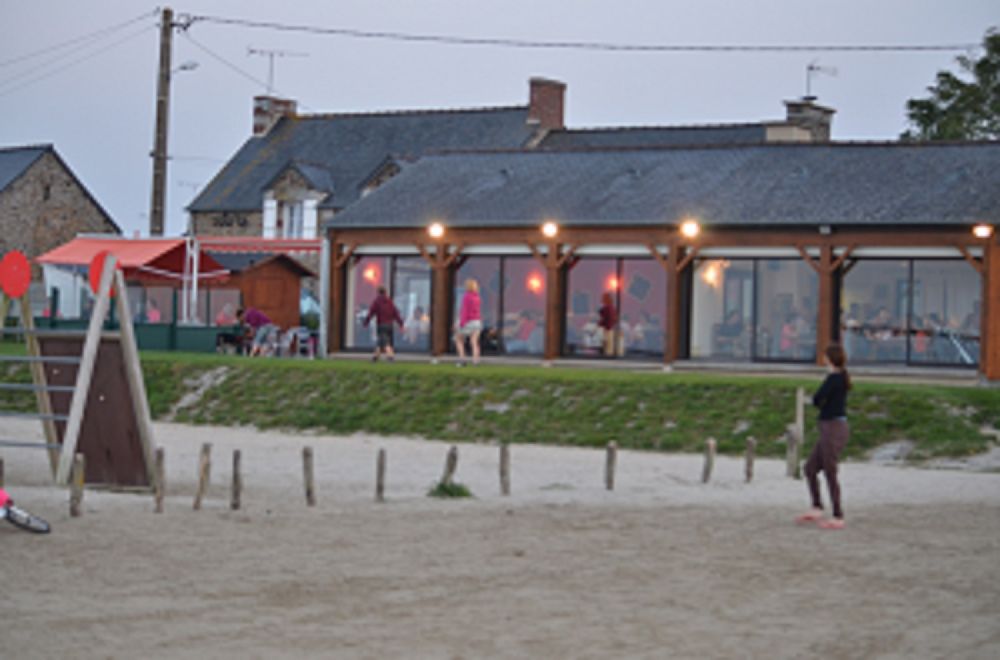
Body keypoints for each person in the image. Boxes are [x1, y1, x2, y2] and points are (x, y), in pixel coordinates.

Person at [797, 343, 852, 530]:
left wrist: (816, 403)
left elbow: (818, 398)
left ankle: (838, 514)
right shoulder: (842, 377)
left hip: (833, 428)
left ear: (831, 359)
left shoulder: (834, 378)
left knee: (830, 470)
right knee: (810, 468)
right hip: (832, 427)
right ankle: (817, 505)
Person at [364, 286, 404, 362]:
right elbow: (395, 313)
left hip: (381, 324)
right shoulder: (389, 302)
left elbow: (371, 312)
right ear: (385, 292)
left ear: (378, 292)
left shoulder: (377, 302)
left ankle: (390, 356)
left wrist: (366, 322)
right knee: (380, 341)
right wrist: (400, 324)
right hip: (389, 325)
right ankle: (375, 357)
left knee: (385, 342)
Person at [455, 278, 482, 365]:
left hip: (468, 321)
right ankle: (475, 360)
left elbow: (465, 311)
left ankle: (462, 359)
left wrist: (461, 323)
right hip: (477, 321)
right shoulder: (477, 297)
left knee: (458, 339)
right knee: (474, 341)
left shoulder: (467, 296)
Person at [597, 292, 617, 356]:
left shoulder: (608, 308)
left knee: (607, 347)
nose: (602, 300)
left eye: (603, 298)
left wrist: (599, 324)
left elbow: (605, 319)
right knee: (608, 346)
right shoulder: (611, 307)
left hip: (608, 329)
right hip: (610, 329)